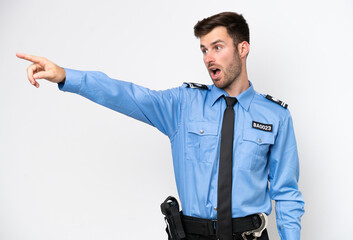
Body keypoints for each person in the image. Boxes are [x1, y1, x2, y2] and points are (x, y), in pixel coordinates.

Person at [17, 12, 304, 240]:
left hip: (249, 237)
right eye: (204, 50)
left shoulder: (275, 117)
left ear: (243, 49)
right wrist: (67, 76)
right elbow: (127, 94)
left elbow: (287, 193)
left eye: (218, 47)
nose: (209, 58)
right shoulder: (182, 105)